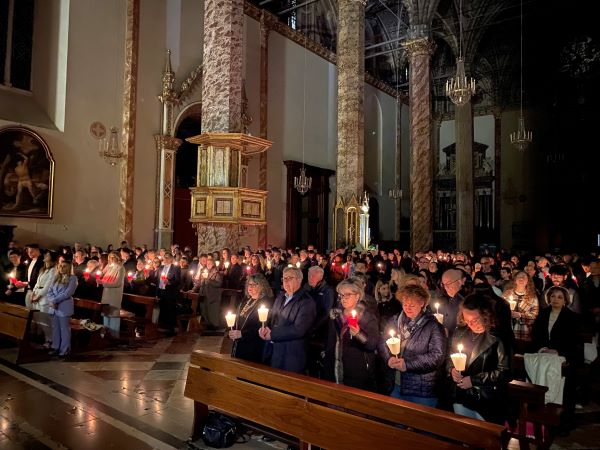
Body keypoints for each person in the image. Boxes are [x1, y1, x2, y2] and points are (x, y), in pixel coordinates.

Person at [447, 293, 511, 424]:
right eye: (466, 320)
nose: (470, 324)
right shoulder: (460, 332)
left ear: (486, 315)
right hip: (461, 396)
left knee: (485, 439)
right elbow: (450, 357)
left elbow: (505, 372)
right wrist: (451, 369)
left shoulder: (498, 337)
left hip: (486, 400)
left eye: (475, 320)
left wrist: (474, 380)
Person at [381, 285, 447, 406]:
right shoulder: (395, 320)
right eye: (405, 304)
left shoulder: (433, 326)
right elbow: (382, 342)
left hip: (421, 390)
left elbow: (437, 356)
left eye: (412, 305)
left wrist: (407, 364)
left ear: (422, 303)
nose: (407, 308)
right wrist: (388, 358)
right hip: (396, 384)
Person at [530, 285, 581, 434]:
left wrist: (558, 351)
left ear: (565, 299)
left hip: (564, 359)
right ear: (548, 298)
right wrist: (542, 349)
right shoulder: (543, 314)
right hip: (543, 357)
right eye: (553, 296)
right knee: (542, 388)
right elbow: (536, 335)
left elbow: (574, 341)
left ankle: (562, 425)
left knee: (564, 392)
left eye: (559, 297)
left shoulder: (571, 317)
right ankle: (542, 422)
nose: (555, 299)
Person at [323, 279, 379, 391]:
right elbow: (330, 341)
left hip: (356, 371)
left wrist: (359, 334)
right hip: (333, 369)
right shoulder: (335, 315)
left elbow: (372, 344)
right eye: (341, 295)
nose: (343, 298)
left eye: (348, 294)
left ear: (357, 296)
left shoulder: (367, 317)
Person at [258, 267, 316, 374]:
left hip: (291, 355)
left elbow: (299, 329)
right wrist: (264, 327)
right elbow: (273, 317)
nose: (286, 281)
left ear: (299, 280)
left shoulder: (306, 302)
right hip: (275, 351)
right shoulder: (281, 296)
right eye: (284, 278)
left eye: (290, 278)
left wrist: (273, 334)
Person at [228, 273, 273, 363]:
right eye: (249, 284)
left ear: (262, 286)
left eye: (254, 284)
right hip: (240, 343)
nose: (250, 287)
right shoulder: (247, 300)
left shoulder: (266, 302)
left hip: (253, 346)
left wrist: (242, 334)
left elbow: (262, 327)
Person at [47, 261, 78, 358]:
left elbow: (67, 293)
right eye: (60, 266)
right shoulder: (56, 278)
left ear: (69, 268)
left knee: (64, 329)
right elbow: (49, 291)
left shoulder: (73, 278)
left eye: (64, 266)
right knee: (55, 328)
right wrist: (52, 300)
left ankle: (64, 350)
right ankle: (55, 347)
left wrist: (54, 301)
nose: (61, 268)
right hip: (54, 307)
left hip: (64, 306)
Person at [29, 251, 57, 348]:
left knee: (46, 322)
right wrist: (33, 293)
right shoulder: (43, 269)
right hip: (37, 297)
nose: (45, 255)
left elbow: (48, 286)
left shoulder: (54, 270)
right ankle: (47, 339)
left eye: (47, 255)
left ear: (52, 258)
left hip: (45, 298)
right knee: (40, 321)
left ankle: (51, 341)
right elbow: (37, 283)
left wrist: (38, 296)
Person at [502, 270, 539, 343]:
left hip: (523, 334)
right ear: (515, 280)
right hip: (507, 332)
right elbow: (499, 311)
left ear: (528, 281)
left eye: (524, 277)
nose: (521, 279)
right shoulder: (507, 294)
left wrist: (520, 315)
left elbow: (534, 317)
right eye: (519, 277)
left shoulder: (532, 297)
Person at [98, 252, 126, 337]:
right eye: (110, 257)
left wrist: (104, 283)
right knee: (106, 314)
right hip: (106, 293)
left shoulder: (121, 268)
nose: (111, 259)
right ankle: (105, 335)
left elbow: (118, 283)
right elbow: (102, 276)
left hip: (114, 294)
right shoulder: (108, 267)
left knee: (113, 314)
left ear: (118, 258)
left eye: (113, 257)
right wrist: (100, 278)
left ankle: (114, 335)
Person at [156, 252, 181, 335]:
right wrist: (157, 293)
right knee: (162, 309)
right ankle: (162, 327)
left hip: (170, 292)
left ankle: (170, 328)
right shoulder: (161, 267)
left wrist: (169, 282)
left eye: (167, 258)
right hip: (162, 291)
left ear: (171, 259)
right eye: (164, 257)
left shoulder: (176, 268)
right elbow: (158, 281)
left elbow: (178, 281)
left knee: (170, 310)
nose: (165, 259)